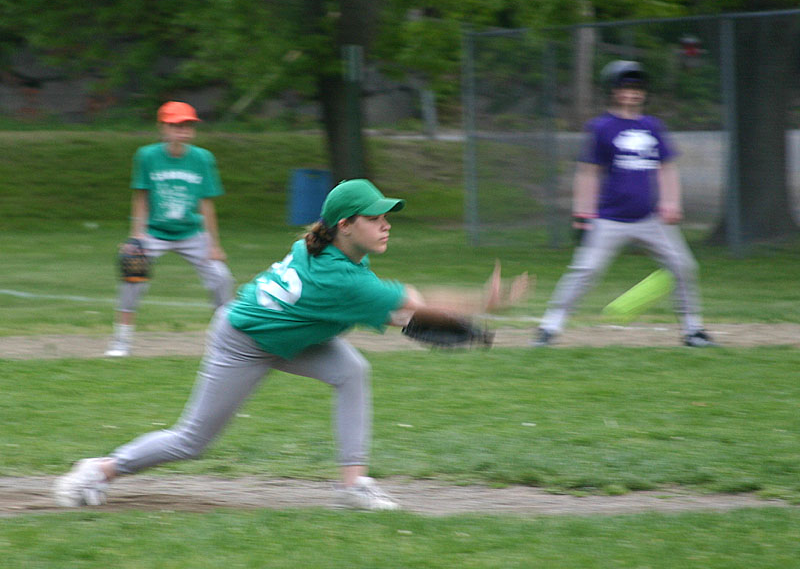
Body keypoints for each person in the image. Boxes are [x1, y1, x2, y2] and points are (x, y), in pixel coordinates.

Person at [56, 179, 526, 511]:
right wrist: (481, 303)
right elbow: (414, 306)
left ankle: (354, 486)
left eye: (387, 217)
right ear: (345, 225)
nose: (386, 225)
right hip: (242, 342)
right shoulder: (340, 277)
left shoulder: (324, 246)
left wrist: (428, 313)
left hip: (291, 335)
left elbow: (404, 307)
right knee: (193, 441)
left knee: (352, 371)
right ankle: (98, 471)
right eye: (374, 218)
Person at [533, 60, 715, 348]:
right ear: (613, 91)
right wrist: (583, 213)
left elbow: (666, 167)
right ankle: (549, 327)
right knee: (586, 271)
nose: (631, 93)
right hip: (609, 219)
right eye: (625, 87)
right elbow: (588, 172)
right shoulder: (602, 127)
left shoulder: (652, 126)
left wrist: (671, 202)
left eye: (637, 87)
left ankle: (693, 331)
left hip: (650, 218)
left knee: (683, 265)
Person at [105, 101, 235, 357]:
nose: (182, 130)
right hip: (154, 232)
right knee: (132, 277)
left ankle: (229, 341)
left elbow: (206, 203)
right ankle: (122, 341)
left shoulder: (202, 158)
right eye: (176, 125)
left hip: (192, 233)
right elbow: (141, 195)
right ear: (162, 127)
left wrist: (214, 245)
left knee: (221, 278)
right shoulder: (147, 156)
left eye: (187, 125)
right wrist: (136, 236)